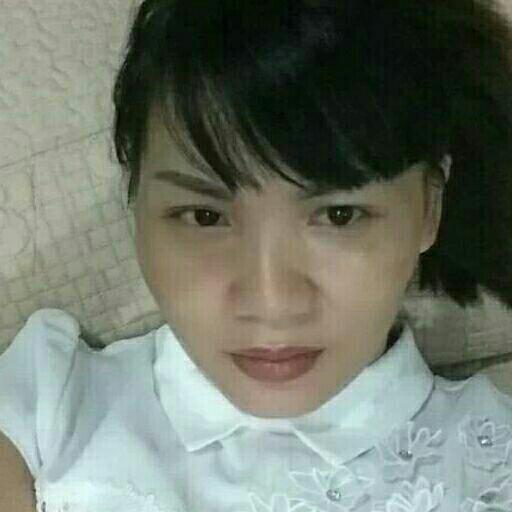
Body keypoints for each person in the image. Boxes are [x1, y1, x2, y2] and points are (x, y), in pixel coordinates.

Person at [2, 0, 512, 510]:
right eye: (205, 216)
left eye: (339, 216)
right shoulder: (47, 408)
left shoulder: (493, 462)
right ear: (137, 201)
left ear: (430, 206)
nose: (272, 302)